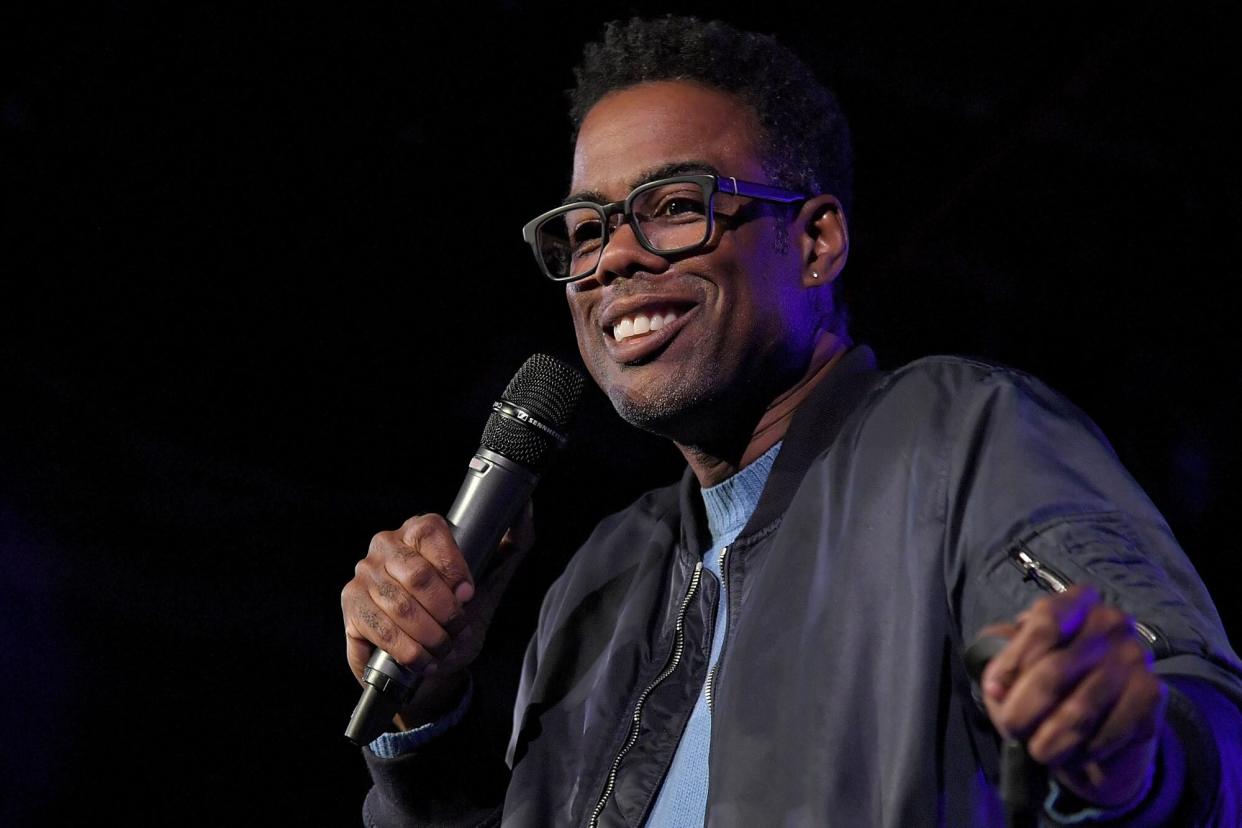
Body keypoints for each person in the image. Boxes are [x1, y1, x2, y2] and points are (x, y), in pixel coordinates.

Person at [340, 16, 1242, 826]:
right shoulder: (602, 580)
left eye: (675, 207)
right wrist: (431, 709)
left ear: (814, 243)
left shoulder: (961, 440)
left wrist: (1133, 765)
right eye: (584, 229)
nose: (612, 256)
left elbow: (1192, 720)